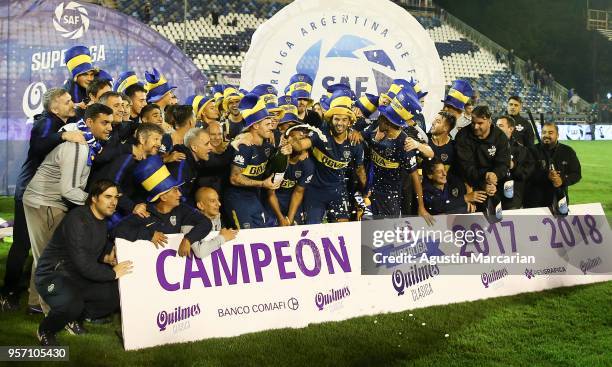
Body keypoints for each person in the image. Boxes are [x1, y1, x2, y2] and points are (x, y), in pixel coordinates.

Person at [23, 104, 113, 312]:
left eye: (110, 122)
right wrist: (98, 205)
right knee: (51, 261)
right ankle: (53, 312)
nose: (110, 127)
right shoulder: (79, 146)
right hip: (45, 202)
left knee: (43, 256)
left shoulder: (85, 140)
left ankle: (35, 303)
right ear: (89, 123)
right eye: (104, 122)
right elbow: (70, 191)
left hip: (47, 200)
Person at [1, 88, 86, 312]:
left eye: (72, 101)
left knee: (42, 248)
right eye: (67, 102)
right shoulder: (47, 123)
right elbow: (38, 146)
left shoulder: (61, 118)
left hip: (41, 191)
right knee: (23, 244)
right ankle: (8, 293)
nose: (72, 104)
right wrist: (62, 136)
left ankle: (31, 297)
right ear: (54, 108)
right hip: (30, 190)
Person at [34, 180, 132, 346]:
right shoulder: (77, 219)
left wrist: (106, 258)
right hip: (53, 275)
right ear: (94, 198)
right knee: (73, 304)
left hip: (75, 275)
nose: (113, 202)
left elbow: (91, 249)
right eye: (108, 196)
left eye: (116, 197)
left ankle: (73, 319)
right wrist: (113, 272)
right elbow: (83, 264)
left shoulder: (102, 220)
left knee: (114, 294)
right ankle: (46, 329)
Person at [113, 155, 214, 258]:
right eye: (175, 190)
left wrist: (188, 239)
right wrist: (149, 235)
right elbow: (117, 230)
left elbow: (206, 223)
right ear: (164, 197)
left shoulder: (182, 210)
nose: (180, 194)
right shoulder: (145, 212)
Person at [291, 89, 367, 224]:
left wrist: (366, 193)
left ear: (349, 122)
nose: (340, 123)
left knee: (342, 231)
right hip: (315, 192)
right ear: (331, 120)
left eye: (344, 120)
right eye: (337, 119)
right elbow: (300, 146)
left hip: (339, 192)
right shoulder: (320, 135)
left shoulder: (355, 142)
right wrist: (290, 136)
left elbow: (360, 170)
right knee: (312, 230)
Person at [361, 88, 433, 223]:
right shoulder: (376, 131)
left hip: (390, 197)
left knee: (385, 235)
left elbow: (415, 178)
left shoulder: (405, 145)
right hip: (371, 192)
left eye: (381, 117)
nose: (378, 118)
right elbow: (360, 136)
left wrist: (421, 207)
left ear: (387, 123)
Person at [224, 94, 291, 229]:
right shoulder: (244, 147)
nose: (271, 127)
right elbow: (234, 178)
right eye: (266, 124)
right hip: (237, 199)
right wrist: (262, 183)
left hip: (254, 197)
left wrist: (286, 154)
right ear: (255, 126)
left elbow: (278, 167)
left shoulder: (267, 146)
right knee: (245, 237)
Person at [88, 123, 165, 220]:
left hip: (120, 208)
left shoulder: (143, 162)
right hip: (103, 213)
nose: (159, 144)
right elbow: (111, 185)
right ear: (141, 139)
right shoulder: (127, 157)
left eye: (160, 140)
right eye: (156, 139)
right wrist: (132, 207)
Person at [455, 105, 510, 217]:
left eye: (480, 123)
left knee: (495, 217)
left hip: (492, 185)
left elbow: (504, 163)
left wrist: (495, 175)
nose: (475, 126)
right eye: (473, 123)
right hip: (466, 184)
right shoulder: (463, 136)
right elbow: (465, 167)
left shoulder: (500, 137)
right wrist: (485, 179)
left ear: (489, 121)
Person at [525, 122, 581, 210]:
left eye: (550, 133)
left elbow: (576, 174)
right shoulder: (531, 150)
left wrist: (562, 180)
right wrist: (546, 176)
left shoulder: (567, 151)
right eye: (544, 132)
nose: (546, 135)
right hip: (534, 202)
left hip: (559, 201)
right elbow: (525, 173)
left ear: (557, 135)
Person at [266, 124, 315, 226]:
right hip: (273, 201)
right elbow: (271, 193)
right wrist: (280, 218)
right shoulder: (277, 158)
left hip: (292, 201)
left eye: (301, 140)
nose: (297, 143)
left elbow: (298, 193)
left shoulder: (308, 165)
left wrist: (289, 220)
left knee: (296, 227)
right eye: (294, 139)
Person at [496, 115, 534, 209]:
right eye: (496, 125)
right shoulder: (488, 147)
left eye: (500, 126)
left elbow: (526, 174)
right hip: (492, 195)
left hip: (512, 199)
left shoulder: (522, 150)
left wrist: (513, 166)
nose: (496, 128)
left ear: (511, 129)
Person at [167, 128, 213, 205]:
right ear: (194, 148)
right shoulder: (181, 164)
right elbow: (174, 199)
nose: (211, 147)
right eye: (206, 144)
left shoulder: (194, 162)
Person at [191, 187, 238, 258]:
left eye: (218, 200)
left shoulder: (217, 218)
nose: (219, 204)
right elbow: (200, 252)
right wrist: (223, 238)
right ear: (200, 205)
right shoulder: (190, 222)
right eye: (213, 201)